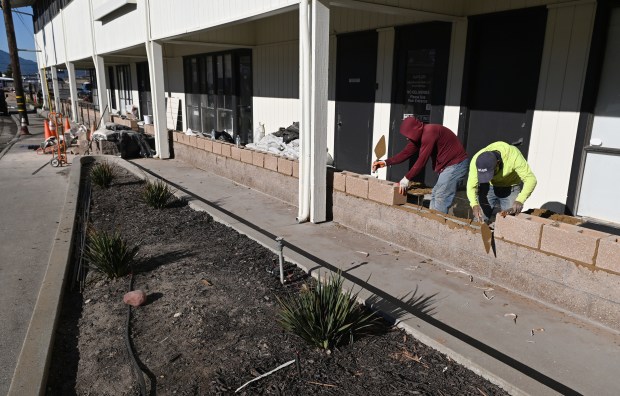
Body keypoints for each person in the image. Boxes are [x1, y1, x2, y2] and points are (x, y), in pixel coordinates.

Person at [372, 116, 469, 213]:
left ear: (414, 131)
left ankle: (436, 224)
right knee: (435, 194)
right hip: (447, 166)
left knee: (441, 196)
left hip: (456, 164)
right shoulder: (418, 136)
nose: (406, 138)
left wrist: (406, 179)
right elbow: (405, 153)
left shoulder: (429, 133)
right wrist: (385, 162)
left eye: (408, 135)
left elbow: (422, 160)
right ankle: (433, 220)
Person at [466, 141, 537, 222]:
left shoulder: (513, 156)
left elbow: (531, 179)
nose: (488, 176)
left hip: (510, 188)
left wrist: (520, 200)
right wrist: (474, 204)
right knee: (480, 218)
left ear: (498, 163)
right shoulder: (477, 160)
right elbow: (471, 186)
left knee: (509, 220)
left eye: (490, 173)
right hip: (489, 187)